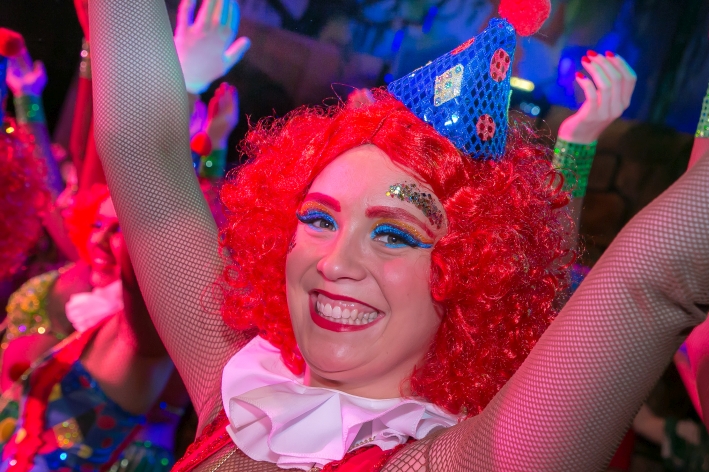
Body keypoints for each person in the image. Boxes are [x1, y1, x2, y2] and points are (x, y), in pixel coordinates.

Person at [89, 0, 709, 470]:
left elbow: (653, 283)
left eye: (395, 235)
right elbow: (146, 151)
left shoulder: (465, 461)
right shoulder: (239, 392)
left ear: (472, 276)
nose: (335, 262)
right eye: (319, 219)